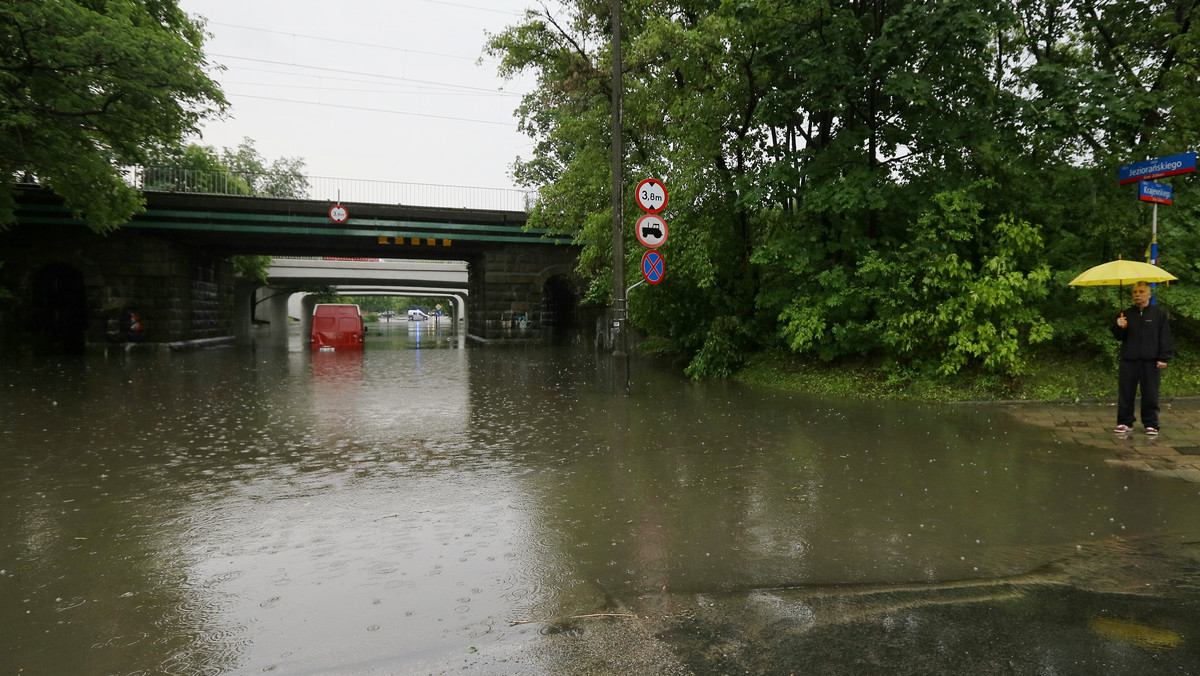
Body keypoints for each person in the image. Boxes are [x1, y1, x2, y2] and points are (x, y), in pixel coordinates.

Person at [1111, 281, 1173, 435]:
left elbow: (1165, 337)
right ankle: (1125, 422)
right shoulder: (1126, 313)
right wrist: (1119, 326)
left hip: (1150, 361)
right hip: (1129, 359)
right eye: (1135, 292)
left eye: (1141, 291)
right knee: (1126, 392)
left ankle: (1151, 423)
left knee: (1150, 393)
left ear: (1149, 294)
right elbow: (1119, 337)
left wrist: (1163, 357)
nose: (1137, 295)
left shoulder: (1158, 313)